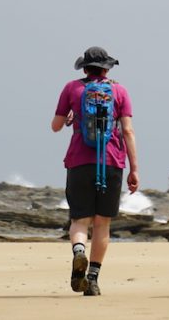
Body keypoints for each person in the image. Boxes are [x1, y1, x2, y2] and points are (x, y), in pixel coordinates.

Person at [51, 46, 139, 296]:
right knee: (102, 224)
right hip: (111, 162)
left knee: (80, 220)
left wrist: (70, 116)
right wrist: (134, 169)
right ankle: (93, 280)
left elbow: (55, 126)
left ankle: (79, 251)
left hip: (79, 160)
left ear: (84, 68)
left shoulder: (72, 88)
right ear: (107, 68)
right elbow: (128, 131)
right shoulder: (119, 90)